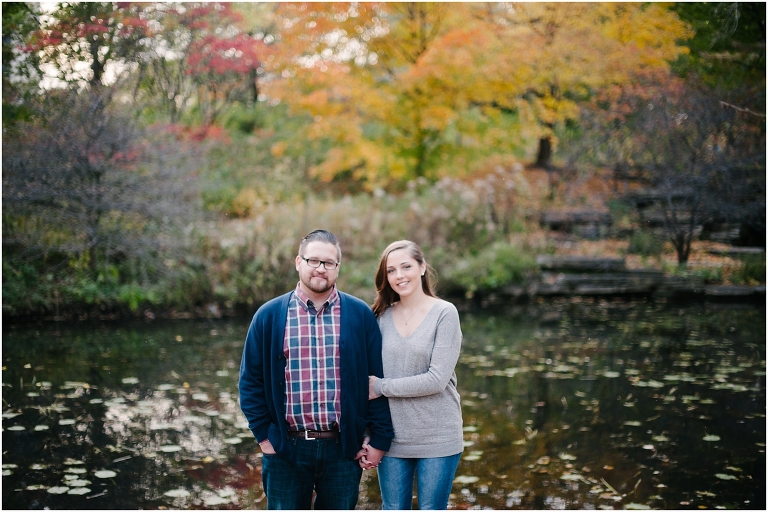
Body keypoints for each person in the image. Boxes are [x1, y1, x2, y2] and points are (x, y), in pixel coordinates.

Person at [238, 229, 394, 510]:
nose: (321, 268)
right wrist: (264, 437)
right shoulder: (268, 316)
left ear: (337, 267)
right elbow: (250, 383)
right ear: (299, 262)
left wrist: (379, 438)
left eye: (329, 263)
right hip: (286, 448)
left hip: (343, 449)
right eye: (314, 261)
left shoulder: (360, 315)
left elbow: (376, 379)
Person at [364, 240, 464, 510]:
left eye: (406, 266)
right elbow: (368, 381)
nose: (399, 275)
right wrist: (369, 434)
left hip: (437, 437)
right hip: (392, 439)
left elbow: (436, 380)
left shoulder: (444, 313)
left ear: (421, 267)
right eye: (391, 270)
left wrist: (382, 387)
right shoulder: (379, 317)